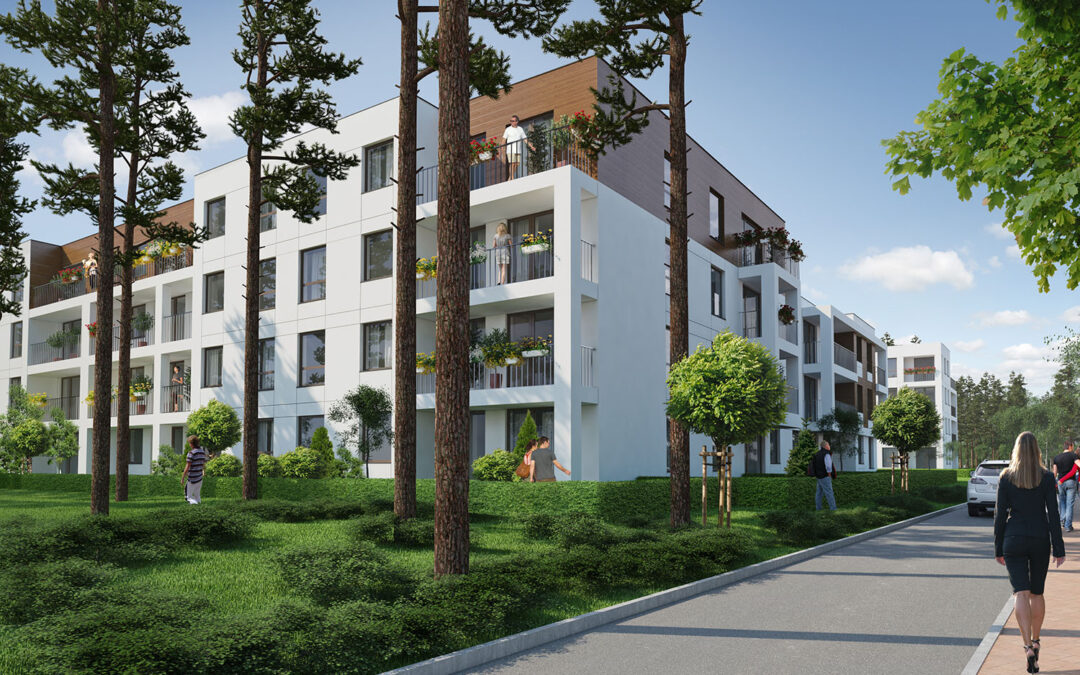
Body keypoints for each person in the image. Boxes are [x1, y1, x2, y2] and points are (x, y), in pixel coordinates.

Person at [994, 431, 1065, 673]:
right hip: (1039, 538)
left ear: (1015, 449)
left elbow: (1000, 515)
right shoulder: (1045, 477)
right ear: (1036, 450)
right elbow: (1053, 514)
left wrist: (997, 547)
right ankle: (1036, 641)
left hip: (1013, 539)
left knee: (1020, 594)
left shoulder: (1006, 477)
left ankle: (1026, 647)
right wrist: (1059, 548)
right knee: (1037, 593)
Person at [1052, 440, 1079, 531]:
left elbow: (1054, 473)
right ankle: (1068, 526)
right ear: (1070, 446)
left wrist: (1053, 482)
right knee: (1069, 504)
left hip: (1060, 482)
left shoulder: (1056, 457)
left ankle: (1062, 521)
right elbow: (1078, 464)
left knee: (1062, 503)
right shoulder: (1073, 455)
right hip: (1070, 482)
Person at [502, 115, 533, 180]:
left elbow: (525, 139)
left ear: (517, 121)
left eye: (513, 121)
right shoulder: (508, 129)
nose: (512, 122)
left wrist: (531, 146)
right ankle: (512, 178)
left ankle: (510, 177)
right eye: (511, 121)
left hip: (518, 149)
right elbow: (504, 139)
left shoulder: (520, 129)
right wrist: (502, 148)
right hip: (510, 149)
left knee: (516, 164)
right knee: (512, 163)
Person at [181, 435, 207, 505]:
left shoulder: (191, 453)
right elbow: (203, 464)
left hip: (192, 478)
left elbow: (187, 466)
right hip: (199, 477)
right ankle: (199, 509)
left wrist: (183, 477)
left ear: (191, 444)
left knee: (188, 497)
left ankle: (193, 508)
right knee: (197, 496)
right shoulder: (202, 452)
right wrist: (203, 472)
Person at [811, 441, 837, 511]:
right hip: (825, 476)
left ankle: (818, 508)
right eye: (828, 445)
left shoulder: (817, 454)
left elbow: (813, 465)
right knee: (829, 492)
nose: (829, 446)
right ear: (825, 446)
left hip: (818, 476)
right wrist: (829, 474)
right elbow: (828, 465)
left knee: (819, 493)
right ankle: (833, 509)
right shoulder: (826, 454)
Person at [493, 221, 512, 285]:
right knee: (504, 269)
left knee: (500, 269)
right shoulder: (507, 236)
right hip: (505, 251)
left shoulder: (495, 236)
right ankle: (502, 283)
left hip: (498, 252)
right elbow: (511, 245)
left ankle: (498, 281)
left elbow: (494, 246)